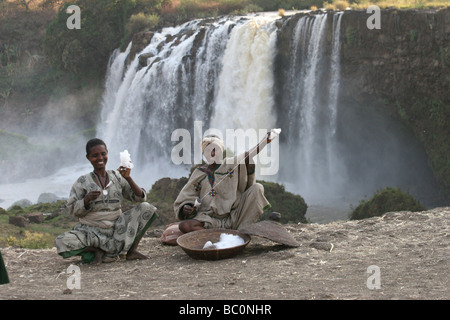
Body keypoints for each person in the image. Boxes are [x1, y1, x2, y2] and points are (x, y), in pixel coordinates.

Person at [55, 138, 157, 265]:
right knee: (61, 241)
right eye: (95, 155)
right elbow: (72, 210)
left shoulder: (117, 177)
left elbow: (140, 197)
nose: (100, 158)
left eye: (103, 154)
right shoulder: (82, 182)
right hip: (91, 231)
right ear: (88, 157)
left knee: (147, 208)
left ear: (107, 153)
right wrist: (86, 200)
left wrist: (129, 178)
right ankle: (99, 250)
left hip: (117, 228)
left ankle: (131, 251)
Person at [173, 132, 274, 234]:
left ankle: (240, 232)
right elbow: (187, 195)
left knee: (257, 188)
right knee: (185, 225)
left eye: (215, 150)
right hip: (209, 220)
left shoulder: (230, 164)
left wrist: (264, 141)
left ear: (221, 151)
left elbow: (248, 155)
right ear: (204, 153)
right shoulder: (199, 173)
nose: (212, 153)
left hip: (234, 217)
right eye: (208, 150)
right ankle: (217, 238)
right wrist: (187, 207)